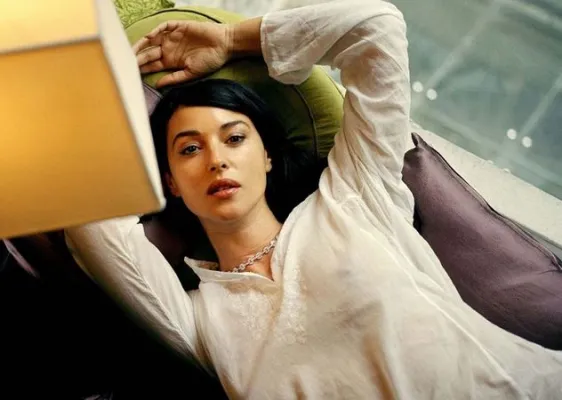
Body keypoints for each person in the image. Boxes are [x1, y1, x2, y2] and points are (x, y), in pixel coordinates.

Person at [65, 0, 562, 398]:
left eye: (235, 138)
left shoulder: (354, 198)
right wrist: (108, 94)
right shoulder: (198, 321)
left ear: (266, 156)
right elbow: (90, 223)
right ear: (171, 182)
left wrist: (230, 40)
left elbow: (376, 28)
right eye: (189, 149)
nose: (216, 160)